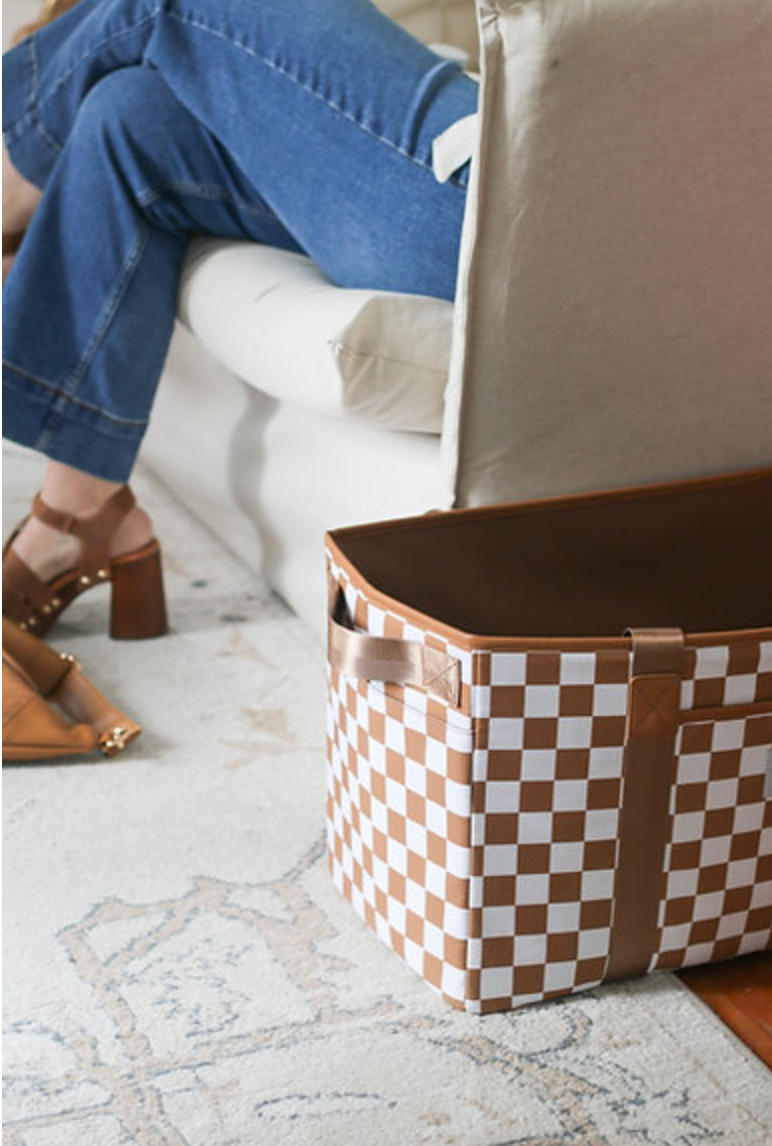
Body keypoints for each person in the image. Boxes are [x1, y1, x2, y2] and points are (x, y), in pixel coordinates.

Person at [2, 0, 478, 638]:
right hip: (479, 153)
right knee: (129, 113)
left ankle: (8, 183)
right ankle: (79, 513)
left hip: (503, 188)